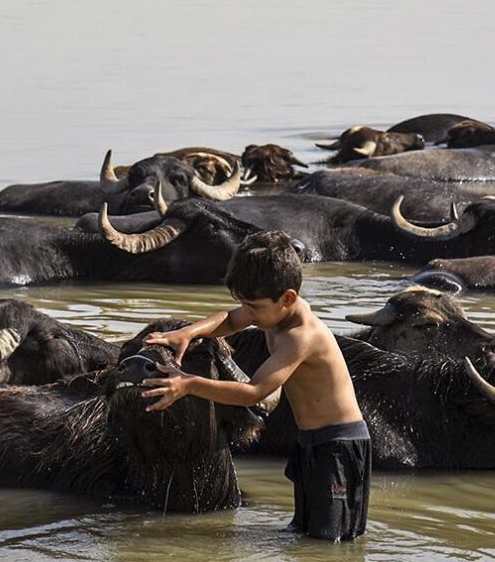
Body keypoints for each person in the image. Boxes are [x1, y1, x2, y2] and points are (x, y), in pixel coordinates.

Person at [143, 230, 370, 542]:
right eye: (243, 304)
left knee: (330, 540)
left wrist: (188, 384)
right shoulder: (273, 312)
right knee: (303, 532)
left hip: (339, 446)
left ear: (288, 298)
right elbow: (229, 320)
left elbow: (255, 391)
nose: (247, 314)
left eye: (253, 307)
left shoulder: (301, 336)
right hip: (311, 442)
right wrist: (189, 332)